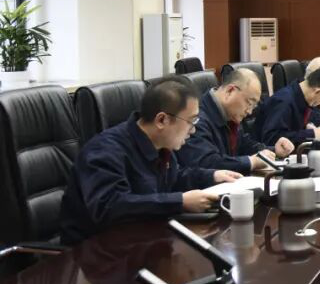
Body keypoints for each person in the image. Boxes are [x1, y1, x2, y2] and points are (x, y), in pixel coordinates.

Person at [59, 77, 241, 243]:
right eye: (191, 122)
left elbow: (173, 178)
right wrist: (180, 202)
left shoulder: (161, 145)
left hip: (142, 241)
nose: (193, 130)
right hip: (95, 254)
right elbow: (111, 207)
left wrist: (212, 176)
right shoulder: (104, 151)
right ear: (161, 120)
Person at [178, 68, 295, 174]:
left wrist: (274, 150)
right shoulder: (197, 119)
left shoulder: (230, 114)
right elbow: (207, 163)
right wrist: (250, 162)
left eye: (253, 106)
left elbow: (244, 145)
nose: (250, 111)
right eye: (249, 103)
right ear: (230, 91)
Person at [257, 66, 320, 146]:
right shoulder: (284, 101)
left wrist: (307, 126)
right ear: (317, 92)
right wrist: (311, 134)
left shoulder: (302, 96)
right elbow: (271, 139)